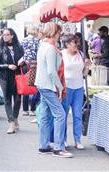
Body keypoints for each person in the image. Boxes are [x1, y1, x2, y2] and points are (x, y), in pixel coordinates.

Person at [35, 22, 73, 158]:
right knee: (60, 115)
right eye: (59, 32)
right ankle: (58, 147)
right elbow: (52, 71)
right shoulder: (51, 48)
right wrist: (60, 87)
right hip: (48, 85)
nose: (60, 35)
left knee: (46, 116)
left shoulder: (43, 45)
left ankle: (44, 145)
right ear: (54, 32)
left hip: (42, 84)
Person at [61, 34, 90, 150]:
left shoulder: (81, 55)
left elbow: (84, 74)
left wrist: (87, 67)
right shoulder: (62, 54)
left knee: (77, 115)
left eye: (77, 42)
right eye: (74, 43)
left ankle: (77, 140)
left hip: (78, 87)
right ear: (67, 44)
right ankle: (63, 139)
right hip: (66, 87)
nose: (76, 45)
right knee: (63, 115)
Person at [0, 28, 24, 134]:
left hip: (17, 76)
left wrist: (22, 62)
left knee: (17, 99)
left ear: (12, 36)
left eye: (7, 34)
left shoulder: (19, 47)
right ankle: (11, 122)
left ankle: (15, 117)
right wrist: (7, 66)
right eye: (3, 35)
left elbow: (24, 59)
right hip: (5, 76)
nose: (5, 36)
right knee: (7, 100)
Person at [20, 25, 40, 119]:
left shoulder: (23, 40)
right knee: (34, 86)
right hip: (34, 64)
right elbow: (38, 53)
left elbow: (20, 52)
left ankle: (25, 109)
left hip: (25, 64)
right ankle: (32, 109)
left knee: (25, 85)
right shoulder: (36, 41)